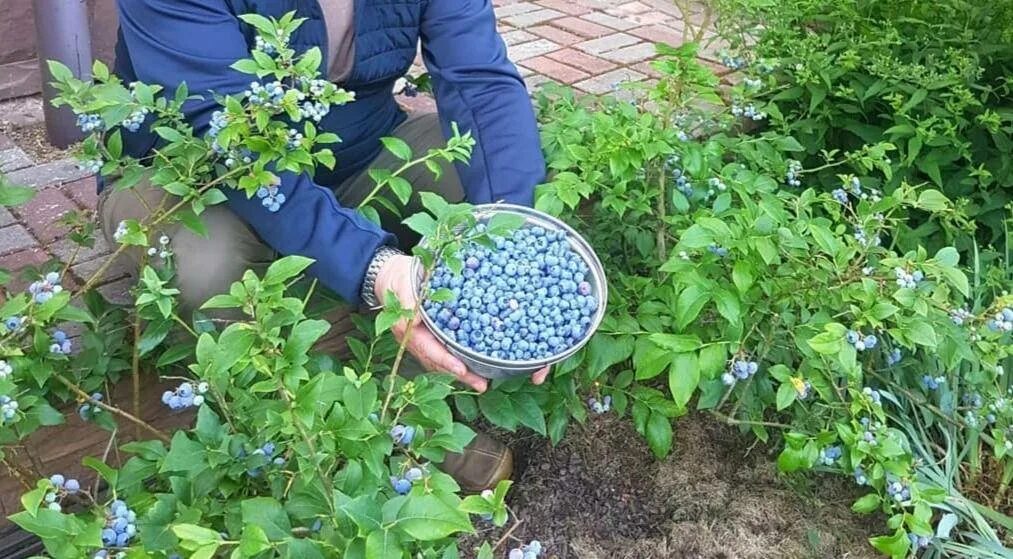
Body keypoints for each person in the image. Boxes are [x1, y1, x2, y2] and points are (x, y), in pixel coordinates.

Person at [99, 0, 549, 492]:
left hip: (353, 152)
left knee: (480, 175)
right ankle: (303, 443)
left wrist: (515, 244)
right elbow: (223, 134)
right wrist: (372, 266)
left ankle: (404, 405)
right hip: (192, 177)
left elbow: (481, 83)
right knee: (206, 262)